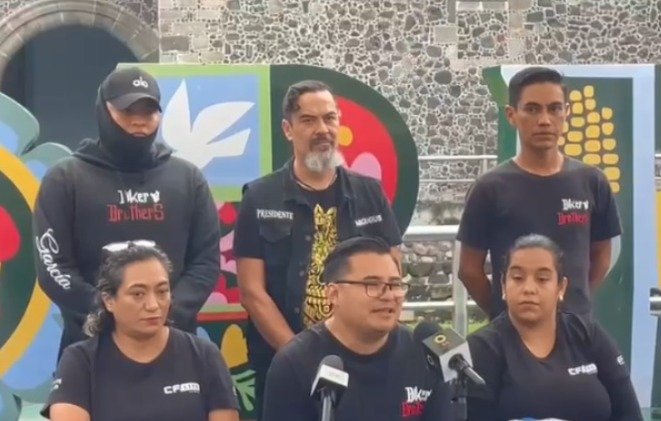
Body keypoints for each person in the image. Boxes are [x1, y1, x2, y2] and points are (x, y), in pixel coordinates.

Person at [233, 80, 402, 418]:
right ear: (288, 129)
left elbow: (393, 274)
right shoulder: (260, 197)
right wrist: (300, 357)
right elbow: (252, 292)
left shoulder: (370, 194)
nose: (322, 129)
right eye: (308, 120)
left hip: (363, 362)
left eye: (329, 118)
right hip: (284, 365)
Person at [33, 66, 220, 359]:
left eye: (148, 111)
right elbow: (53, 265)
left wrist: (162, 313)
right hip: (90, 350)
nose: (139, 120)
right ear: (103, 110)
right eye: (127, 110)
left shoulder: (188, 178)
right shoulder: (65, 178)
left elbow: (206, 262)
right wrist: (109, 312)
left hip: (174, 347)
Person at [457, 66, 621, 320]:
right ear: (512, 115)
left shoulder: (592, 182)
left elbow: (601, 257)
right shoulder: (489, 188)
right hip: (513, 334)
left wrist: (574, 304)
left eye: (554, 109)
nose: (544, 120)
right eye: (532, 109)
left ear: (567, 112)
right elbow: (469, 270)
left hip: (576, 331)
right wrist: (504, 316)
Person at [42, 242, 238, 421]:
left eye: (162, 291)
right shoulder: (80, 362)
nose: (153, 305)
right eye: (138, 294)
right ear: (109, 300)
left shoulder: (204, 355)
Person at [262, 236, 451, 421]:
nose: (389, 296)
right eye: (372, 284)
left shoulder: (425, 354)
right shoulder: (295, 363)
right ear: (333, 294)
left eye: (395, 284)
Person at [467, 234, 641, 421]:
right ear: (503, 285)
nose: (529, 289)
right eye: (517, 278)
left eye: (542, 279)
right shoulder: (482, 348)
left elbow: (629, 413)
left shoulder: (589, 335)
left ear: (561, 288)